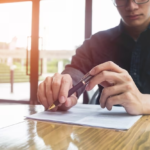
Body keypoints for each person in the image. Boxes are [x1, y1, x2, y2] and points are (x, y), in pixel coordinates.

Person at [37, 0, 150, 115]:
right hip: (104, 129)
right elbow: (77, 69)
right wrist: (63, 86)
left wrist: (144, 102)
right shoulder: (96, 42)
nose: (131, 6)